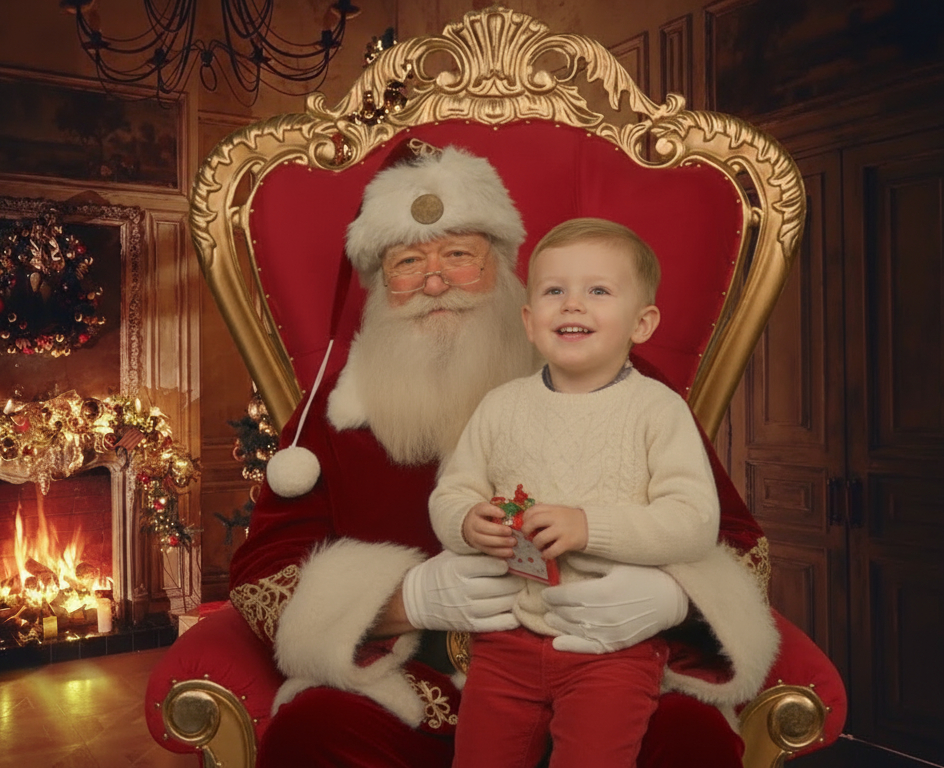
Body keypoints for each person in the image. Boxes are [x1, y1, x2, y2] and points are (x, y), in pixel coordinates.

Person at [227, 142, 779, 768]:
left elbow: (737, 542)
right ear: (380, 283)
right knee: (312, 732)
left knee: (691, 736)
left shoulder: (627, 386)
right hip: (411, 689)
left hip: (603, 666)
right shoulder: (334, 410)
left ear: (504, 264)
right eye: (407, 262)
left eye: (459, 255)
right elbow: (262, 576)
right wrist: (403, 600)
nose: (434, 281)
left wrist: (671, 597)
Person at [430, 218, 766, 767]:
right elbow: (452, 493)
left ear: (642, 323)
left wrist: (590, 527)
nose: (572, 304)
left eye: (598, 291)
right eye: (554, 290)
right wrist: (466, 521)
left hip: (612, 646)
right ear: (529, 321)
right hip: (505, 642)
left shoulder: (658, 410)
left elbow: (695, 522)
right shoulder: (500, 406)